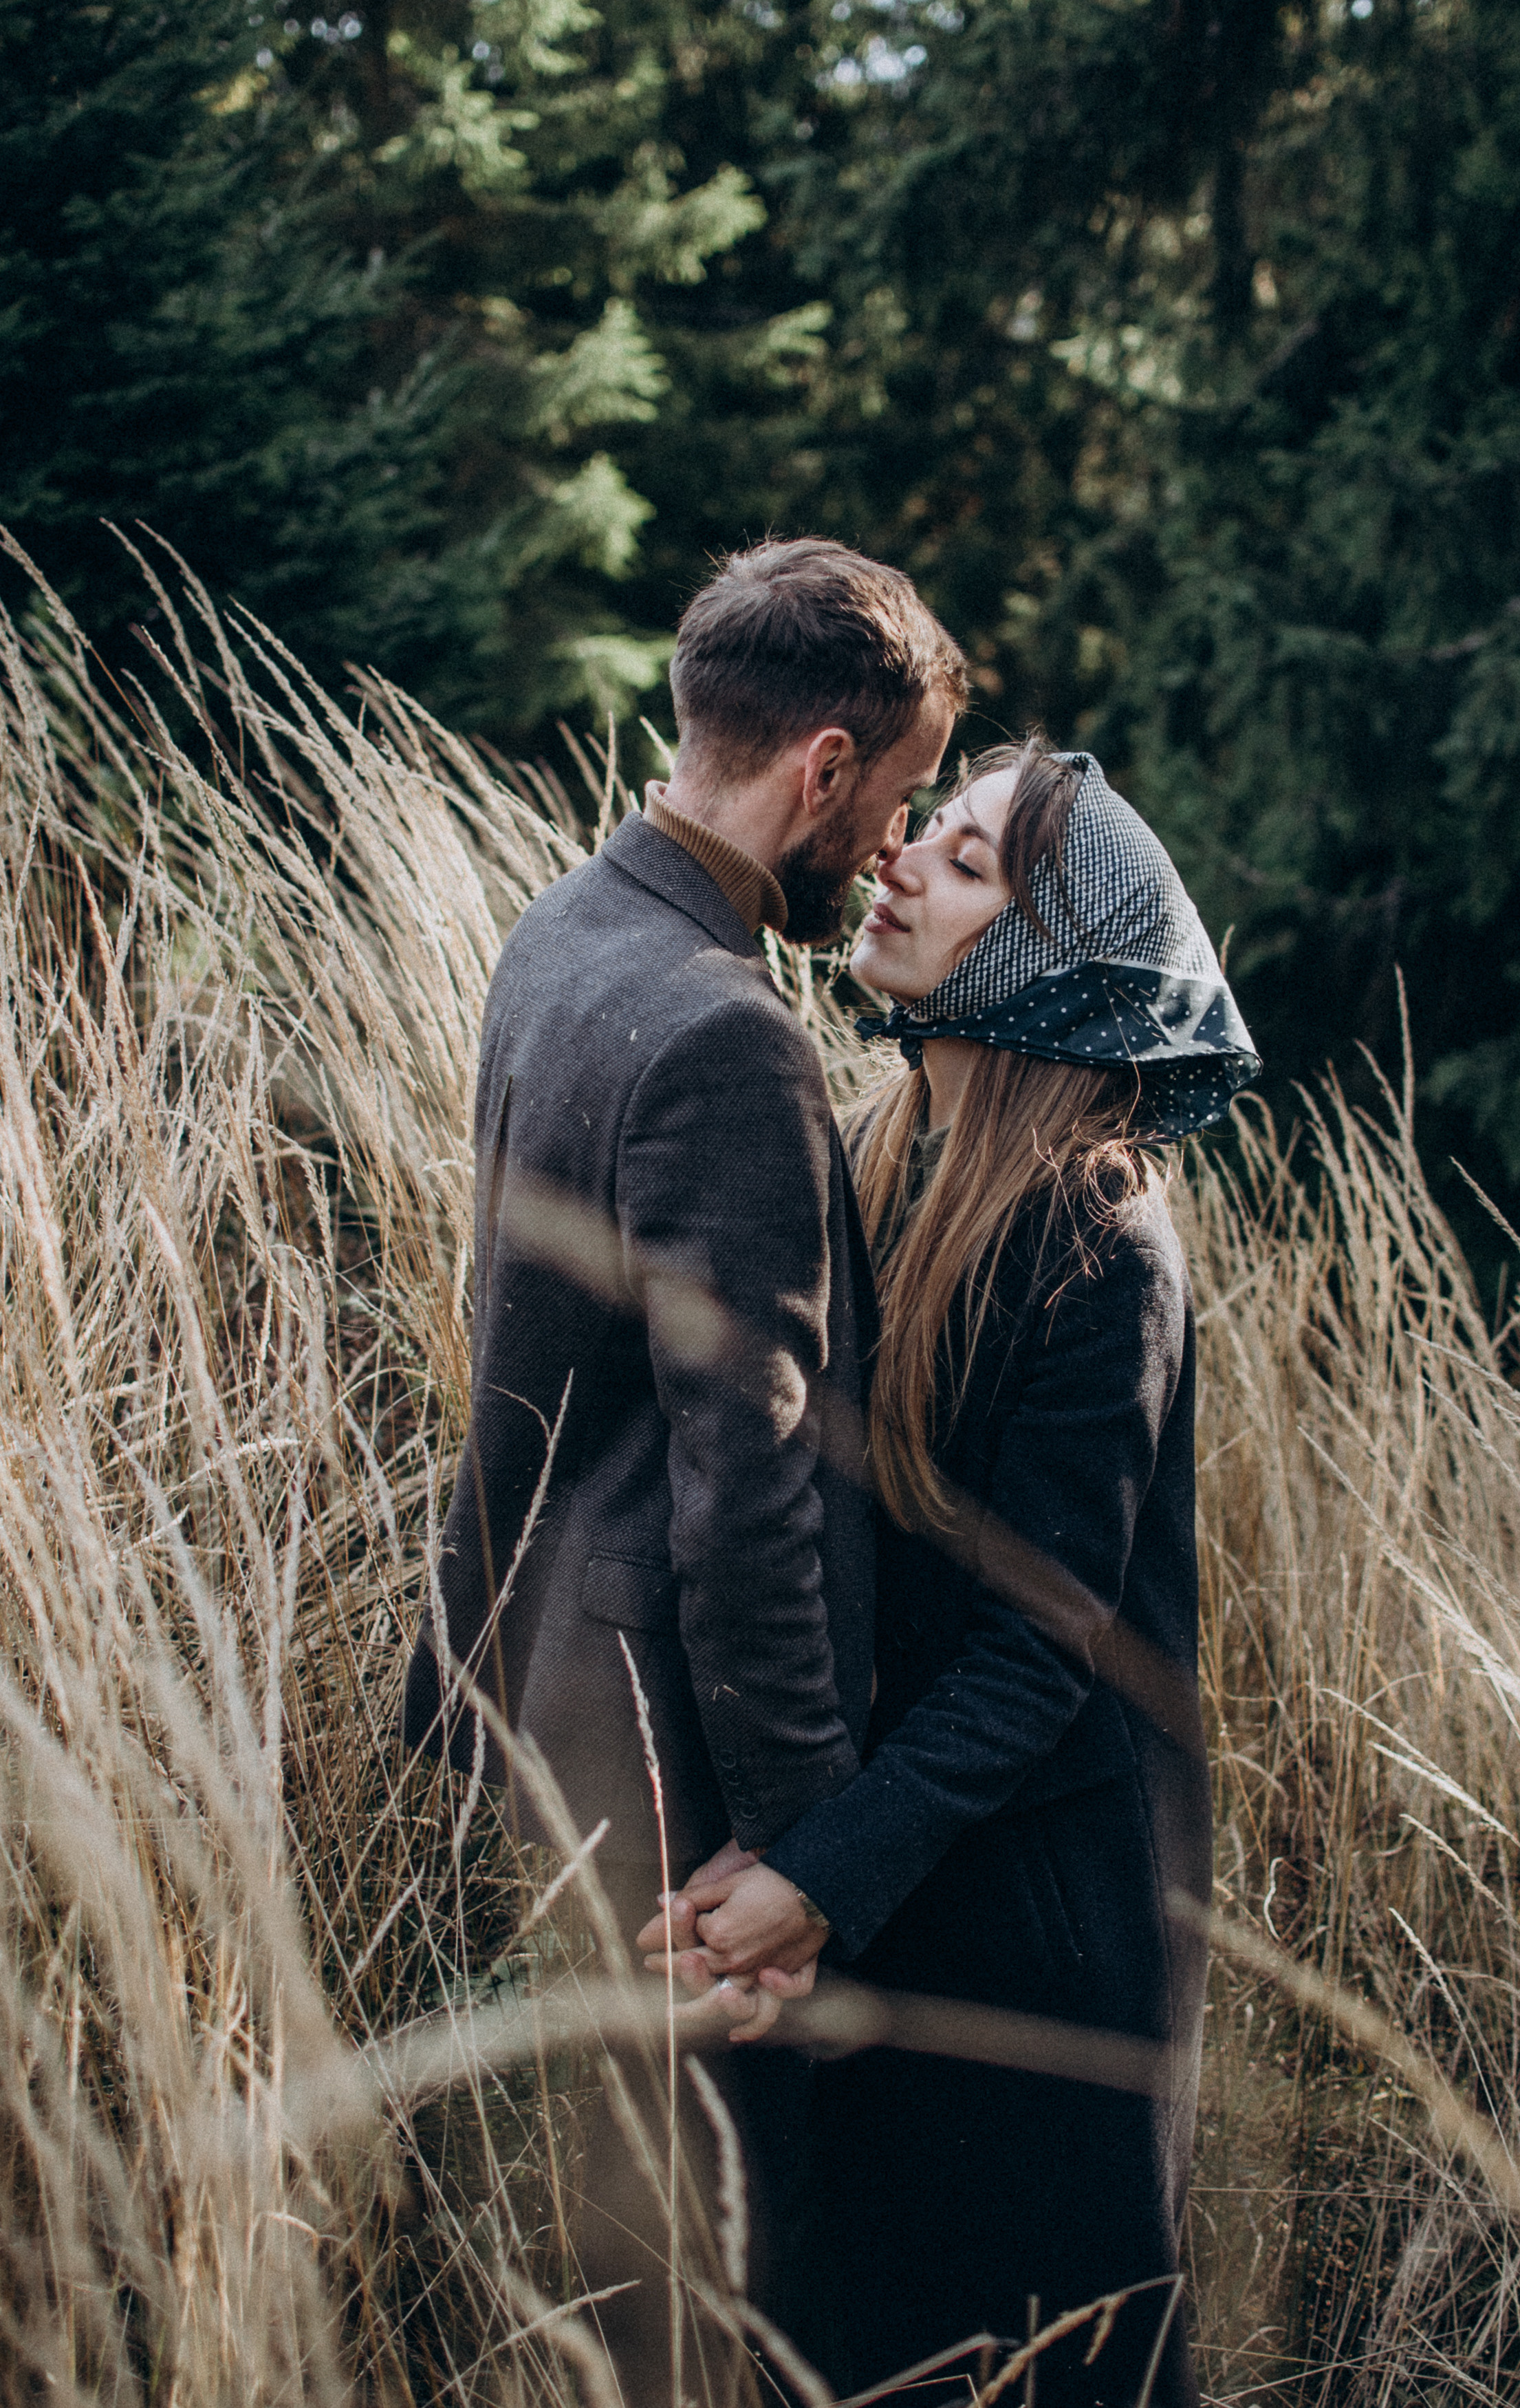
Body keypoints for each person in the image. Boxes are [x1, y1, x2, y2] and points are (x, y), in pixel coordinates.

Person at [400, 537, 964, 2402]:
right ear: (815, 764)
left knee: (607, 2268)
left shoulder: (562, 932)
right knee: (709, 2299)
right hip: (674, 1777)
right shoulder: (732, 1036)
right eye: (885, 801)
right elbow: (750, 1490)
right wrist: (804, 1841)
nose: (883, 850)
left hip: (545, 1690)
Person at [641, 740, 1259, 2408]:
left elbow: (1035, 1655)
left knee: (1032, 2360)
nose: (901, 859)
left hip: (1033, 1922)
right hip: (897, 1870)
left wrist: (818, 1880)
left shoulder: (1099, 1237)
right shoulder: (874, 1145)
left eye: (968, 861)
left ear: (1049, 951)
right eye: (934, 832)